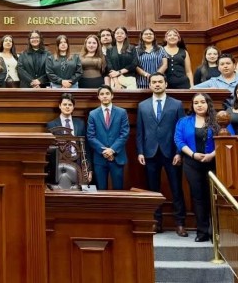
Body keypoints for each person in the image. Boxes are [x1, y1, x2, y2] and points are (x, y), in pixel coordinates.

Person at [136, 73, 187, 237]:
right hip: (150, 153)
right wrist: (140, 151)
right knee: (153, 190)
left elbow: (182, 130)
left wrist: (180, 152)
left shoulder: (177, 104)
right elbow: (139, 131)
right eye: (154, 82)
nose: (157, 84)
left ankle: (180, 223)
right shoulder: (142, 105)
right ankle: (156, 223)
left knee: (176, 189)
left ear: (165, 84)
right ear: (149, 85)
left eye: (160, 82)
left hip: (171, 153)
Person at [175, 93, 219, 242]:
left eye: (202, 102)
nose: (199, 105)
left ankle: (215, 232)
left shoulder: (219, 120)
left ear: (208, 104)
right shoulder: (184, 121)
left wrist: (212, 155)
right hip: (191, 163)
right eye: (196, 103)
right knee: (198, 198)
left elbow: (227, 140)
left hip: (213, 163)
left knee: (213, 197)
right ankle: (202, 232)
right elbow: (179, 140)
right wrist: (193, 154)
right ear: (192, 106)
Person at [85, 85, 129, 190]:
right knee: (101, 189)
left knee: (118, 190)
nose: (105, 96)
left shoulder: (122, 112)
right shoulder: (93, 114)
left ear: (112, 96)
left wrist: (112, 150)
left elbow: (124, 133)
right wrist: (105, 151)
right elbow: (91, 136)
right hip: (100, 159)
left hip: (117, 157)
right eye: (102, 94)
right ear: (98, 97)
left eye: (107, 94)